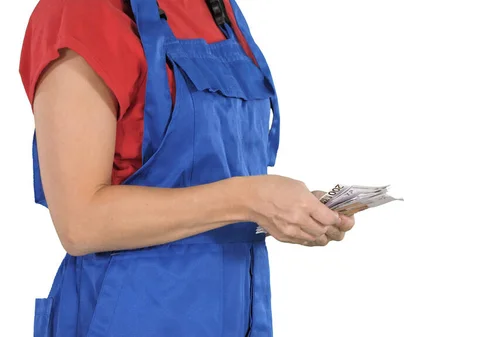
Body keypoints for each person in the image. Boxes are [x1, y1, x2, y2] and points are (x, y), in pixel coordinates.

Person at [20, 0, 355, 336]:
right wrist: (249, 199)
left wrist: (287, 212)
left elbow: (220, 182)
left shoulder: (218, 10)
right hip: (128, 319)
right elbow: (80, 223)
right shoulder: (81, 11)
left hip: (238, 313)